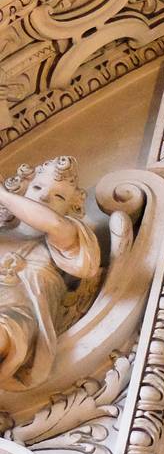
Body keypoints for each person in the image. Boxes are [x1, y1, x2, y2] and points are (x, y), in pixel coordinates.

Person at [0, 157, 101, 391]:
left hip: (14, 318)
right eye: (37, 187)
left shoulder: (68, 235)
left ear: (72, 207)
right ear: (23, 189)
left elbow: (53, 224)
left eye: (59, 196)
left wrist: (3, 195)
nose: (45, 197)